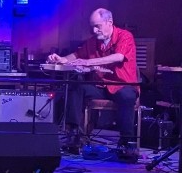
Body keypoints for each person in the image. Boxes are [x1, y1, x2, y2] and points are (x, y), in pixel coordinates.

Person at [47, 8, 138, 151]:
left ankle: (127, 143)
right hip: (102, 87)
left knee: (126, 96)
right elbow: (77, 55)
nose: (94, 30)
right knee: (77, 86)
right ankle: (75, 135)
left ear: (109, 22)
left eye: (98, 26)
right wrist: (63, 59)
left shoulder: (125, 36)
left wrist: (88, 62)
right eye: (92, 27)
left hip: (123, 85)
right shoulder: (92, 41)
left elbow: (118, 57)